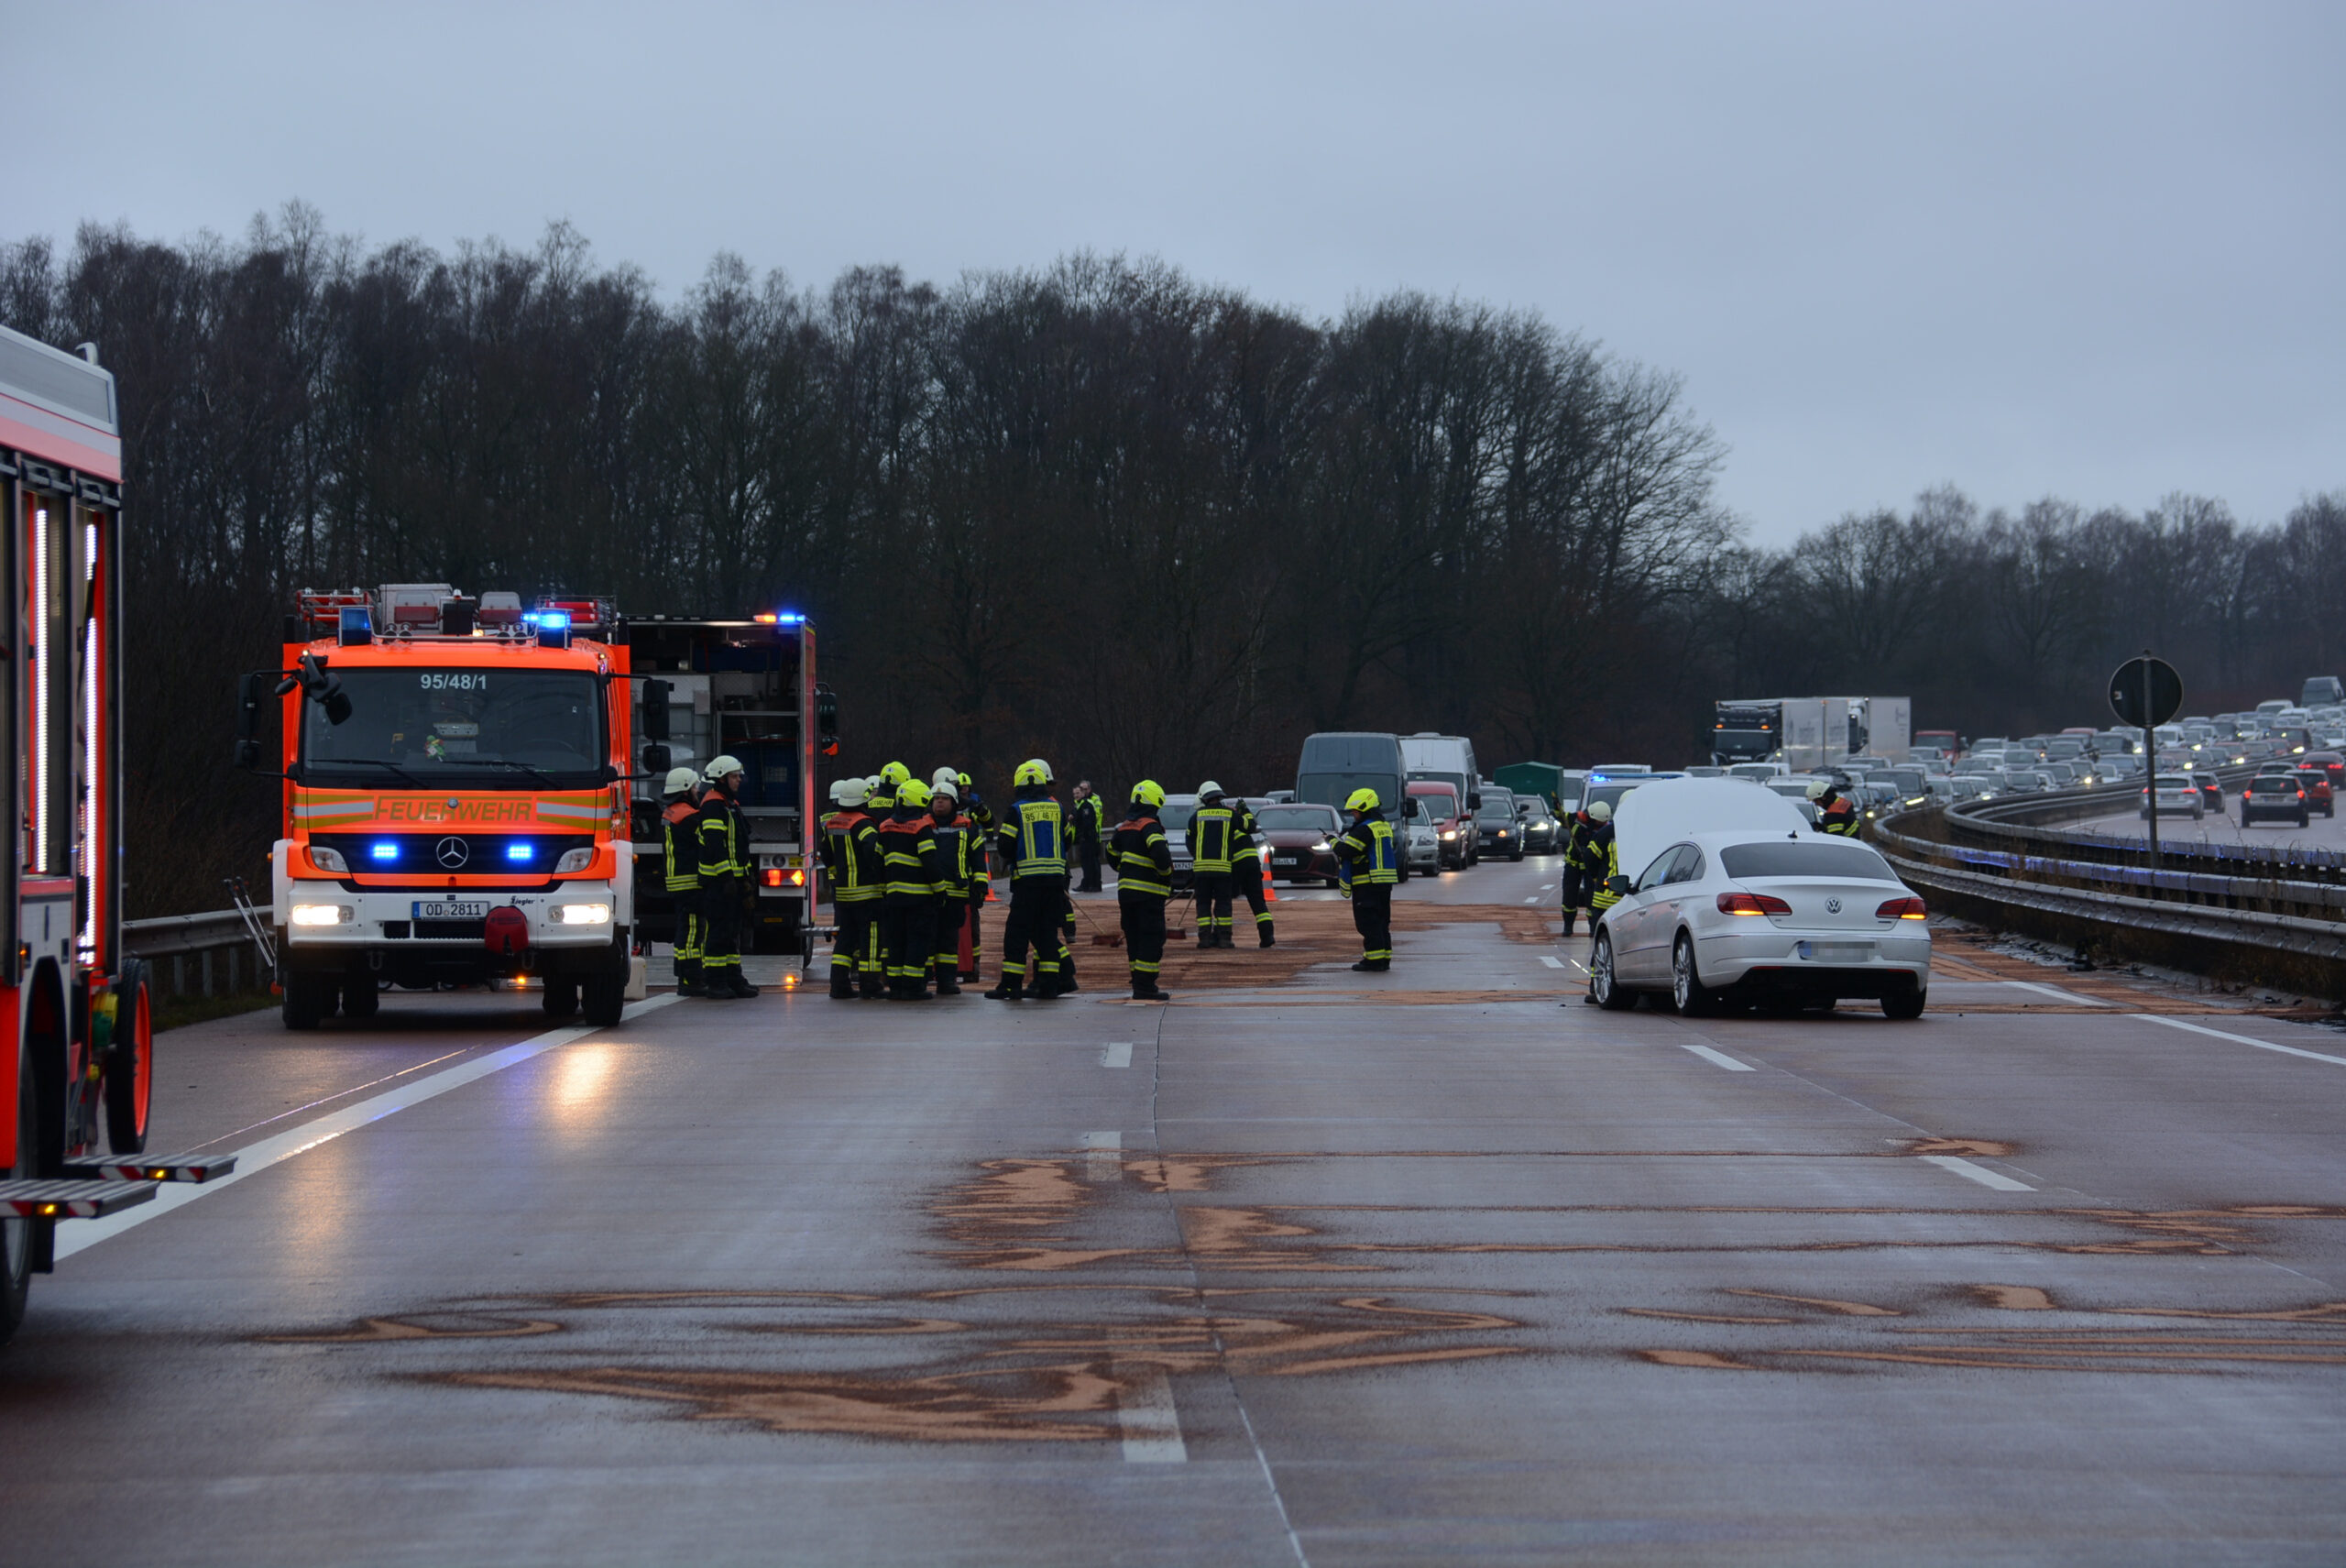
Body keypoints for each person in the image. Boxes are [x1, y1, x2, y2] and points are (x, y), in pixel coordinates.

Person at [985, 759, 1068, 1000]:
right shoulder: (1058, 808)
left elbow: (1004, 846)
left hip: (1027, 885)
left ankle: (1011, 986)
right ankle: (1050, 986)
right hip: (1054, 883)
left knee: (1016, 936)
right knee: (1048, 935)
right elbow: (1067, 840)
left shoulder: (1016, 810)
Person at [696, 755, 759, 998]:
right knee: (719, 933)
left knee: (733, 932)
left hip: (731, 881)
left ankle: (734, 979)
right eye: (734, 776)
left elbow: (739, 845)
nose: (739, 780)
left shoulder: (728, 804)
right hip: (718, 883)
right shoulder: (713, 805)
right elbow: (715, 845)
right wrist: (727, 878)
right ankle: (715, 982)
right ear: (721, 778)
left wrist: (745, 878)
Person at [875, 778, 944, 999]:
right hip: (919, 899)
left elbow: (876, 862)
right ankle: (913, 987)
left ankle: (895, 986)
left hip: (893, 898)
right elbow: (930, 862)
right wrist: (941, 890)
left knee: (895, 942)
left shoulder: (884, 826)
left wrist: (883, 889)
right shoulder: (921, 828)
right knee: (917, 942)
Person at [818, 776, 884, 999]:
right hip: (867, 893)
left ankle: (838, 985)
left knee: (845, 940)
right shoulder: (864, 823)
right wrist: (879, 879)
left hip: (843, 893)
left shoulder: (833, 823)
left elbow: (826, 855)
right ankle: (870, 985)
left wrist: (838, 878)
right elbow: (872, 854)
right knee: (870, 939)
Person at [1113, 780, 1175, 1000]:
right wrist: (1165, 875)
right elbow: (1161, 854)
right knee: (1152, 937)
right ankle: (1145, 986)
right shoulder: (1150, 826)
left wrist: (1126, 869)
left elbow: (1111, 853)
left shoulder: (1124, 826)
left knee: (1134, 937)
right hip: (1148, 894)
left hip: (1126, 894)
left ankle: (1137, 979)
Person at [1332, 787, 1399, 971]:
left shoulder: (1365, 829)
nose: (1353, 815)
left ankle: (1374, 960)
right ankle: (1383, 958)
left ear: (1364, 809)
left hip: (1367, 884)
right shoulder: (1382, 826)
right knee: (1381, 922)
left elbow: (1348, 851)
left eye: (1355, 812)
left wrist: (1332, 841)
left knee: (1368, 923)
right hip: (1383, 883)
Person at [660, 767, 707, 997]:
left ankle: (684, 976)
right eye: (696, 787)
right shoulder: (689, 816)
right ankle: (692, 978)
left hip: (676, 881)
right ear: (686, 789)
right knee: (692, 932)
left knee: (684, 929)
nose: (698, 791)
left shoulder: (670, 812)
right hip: (690, 882)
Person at [926, 776, 975, 995]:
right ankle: (922, 981)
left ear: (954, 802)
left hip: (955, 895)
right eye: (936, 799)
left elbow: (977, 859)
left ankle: (947, 981)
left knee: (948, 941)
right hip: (927, 895)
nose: (939, 803)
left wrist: (979, 888)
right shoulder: (923, 825)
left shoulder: (967, 827)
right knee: (926, 938)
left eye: (944, 799)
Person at [940, 768, 988, 981]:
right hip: (944, 887)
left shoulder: (968, 821)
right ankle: (945, 972)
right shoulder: (928, 823)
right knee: (945, 933)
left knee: (968, 930)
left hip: (962, 886)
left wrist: (980, 886)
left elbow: (988, 822)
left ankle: (971, 967)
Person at [1578, 800, 1622, 1003]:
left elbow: (1589, 857)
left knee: (1601, 944)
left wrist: (1597, 877)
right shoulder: (1644, 833)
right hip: (1627, 899)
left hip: (1604, 898)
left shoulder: (1607, 833)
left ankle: (1596, 987)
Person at [1189, 781, 1237, 947]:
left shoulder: (1196, 817)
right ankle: (1224, 939)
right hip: (1223, 870)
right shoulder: (1230, 815)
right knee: (1223, 904)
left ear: (1204, 798)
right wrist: (1245, 812)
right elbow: (1250, 827)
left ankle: (1204, 939)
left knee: (1203, 903)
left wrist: (1198, 856)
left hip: (1202, 870)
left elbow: (1189, 840)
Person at [1228, 792, 1275, 948]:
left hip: (1235, 867)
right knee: (1258, 903)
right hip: (1252, 865)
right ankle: (1267, 936)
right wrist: (1245, 810)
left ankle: (1222, 937)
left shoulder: (1223, 824)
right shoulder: (1242, 821)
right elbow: (1252, 824)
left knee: (1224, 901)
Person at [1559, 799, 1601, 938]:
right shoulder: (1577, 819)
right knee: (1569, 895)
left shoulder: (1601, 828)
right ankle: (1568, 926)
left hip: (1590, 866)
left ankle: (1592, 927)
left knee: (1591, 897)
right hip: (1573, 864)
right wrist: (1557, 810)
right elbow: (1563, 818)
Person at [1071, 781, 1104, 892]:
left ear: (1089, 789)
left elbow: (1091, 819)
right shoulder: (1079, 804)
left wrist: (1084, 834)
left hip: (1091, 835)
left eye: (1084, 790)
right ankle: (1088, 883)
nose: (1078, 794)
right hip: (1086, 836)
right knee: (1087, 861)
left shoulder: (1091, 802)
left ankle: (1094, 884)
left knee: (1093, 861)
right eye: (1075, 793)